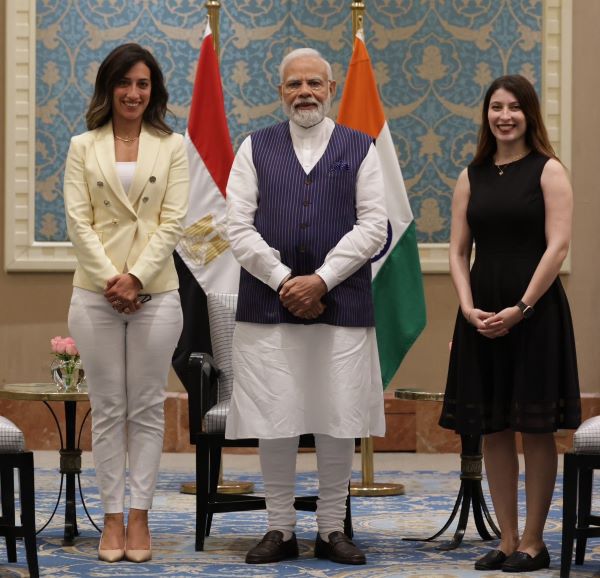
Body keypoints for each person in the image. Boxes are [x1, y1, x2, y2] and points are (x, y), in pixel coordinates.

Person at [225, 47, 388, 565]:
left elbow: (374, 227)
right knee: (275, 417)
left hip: (341, 306)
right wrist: (284, 282)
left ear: (331, 89)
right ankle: (279, 528)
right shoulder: (254, 147)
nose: (305, 93)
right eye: (294, 84)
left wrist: (320, 280)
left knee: (338, 417)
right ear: (281, 92)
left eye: (314, 83)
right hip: (268, 307)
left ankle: (331, 529)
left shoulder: (360, 147)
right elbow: (237, 228)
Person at [439, 75, 581, 573]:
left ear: (529, 114)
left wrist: (522, 307)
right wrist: (466, 307)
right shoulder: (471, 175)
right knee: (493, 428)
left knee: (535, 430)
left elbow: (558, 247)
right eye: (496, 107)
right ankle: (507, 539)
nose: (505, 116)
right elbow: (458, 251)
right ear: (486, 115)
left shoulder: (549, 170)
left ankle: (534, 543)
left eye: (515, 107)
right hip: (481, 313)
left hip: (534, 313)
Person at [64, 43, 189, 563]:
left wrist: (135, 278)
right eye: (124, 83)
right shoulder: (82, 145)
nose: (133, 93)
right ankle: (112, 519)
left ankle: (140, 516)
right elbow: (78, 221)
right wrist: (112, 281)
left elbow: (174, 221)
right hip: (95, 295)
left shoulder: (173, 145)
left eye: (142, 84)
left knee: (146, 408)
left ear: (152, 90)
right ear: (108, 88)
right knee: (109, 408)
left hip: (156, 294)